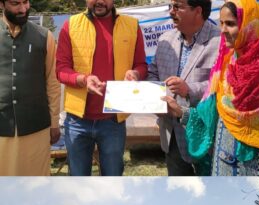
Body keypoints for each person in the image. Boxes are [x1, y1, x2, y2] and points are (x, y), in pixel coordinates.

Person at [167, 0, 259, 176]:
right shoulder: (225, 68)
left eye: (230, 24)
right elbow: (208, 116)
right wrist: (180, 112)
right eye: (221, 23)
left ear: (250, 26)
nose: (222, 30)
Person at [56, 0, 148, 176]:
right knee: (78, 180)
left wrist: (135, 74)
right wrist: (83, 80)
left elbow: (141, 65)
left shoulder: (131, 25)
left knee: (112, 180)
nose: (99, 1)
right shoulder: (71, 25)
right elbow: (61, 70)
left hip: (113, 120)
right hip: (77, 121)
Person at [148, 0, 219, 176]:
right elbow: (153, 74)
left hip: (206, 136)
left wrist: (190, 89)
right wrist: (154, 98)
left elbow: (224, 84)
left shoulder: (220, 42)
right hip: (171, 136)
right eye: (170, 7)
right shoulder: (166, 40)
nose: (172, 12)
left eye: (178, 7)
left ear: (198, 11)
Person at [0, 0, 61, 176]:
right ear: (2, 4)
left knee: (36, 187)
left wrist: (54, 122)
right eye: (15, 3)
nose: (23, 9)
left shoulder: (44, 36)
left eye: (25, 2)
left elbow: (53, 82)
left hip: (37, 128)